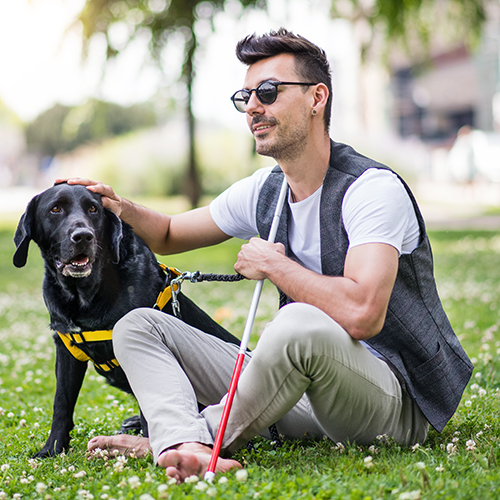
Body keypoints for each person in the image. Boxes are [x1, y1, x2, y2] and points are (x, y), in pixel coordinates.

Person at [65, 28, 473, 483]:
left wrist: (276, 265)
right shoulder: (266, 189)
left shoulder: (372, 190)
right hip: (303, 393)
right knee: (137, 326)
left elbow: (362, 314)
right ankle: (182, 444)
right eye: (246, 96)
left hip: (393, 404)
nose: (253, 106)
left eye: (268, 92)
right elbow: (169, 232)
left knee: (296, 323)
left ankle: (193, 438)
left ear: (317, 98)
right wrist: (121, 208)